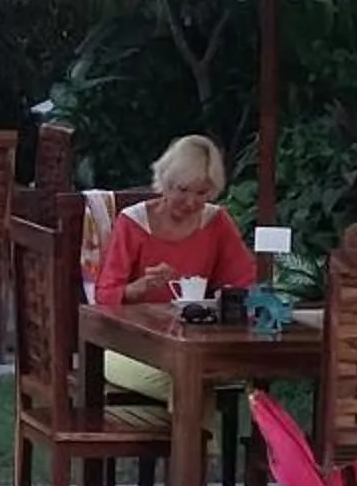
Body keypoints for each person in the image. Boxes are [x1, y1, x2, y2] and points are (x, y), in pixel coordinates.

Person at [96, 134, 258, 401]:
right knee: (189, 380)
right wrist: (139, 288)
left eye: (202, 193)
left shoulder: (216, 222)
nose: (191, 202)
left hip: (190, 346)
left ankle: (189, 430)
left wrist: (226, 300)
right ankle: (197, 430)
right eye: (183, 190)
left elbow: (244, 281)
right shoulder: (133, 222)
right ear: (165, 182)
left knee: (195, 374)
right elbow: (104, 295)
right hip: (127, 346)